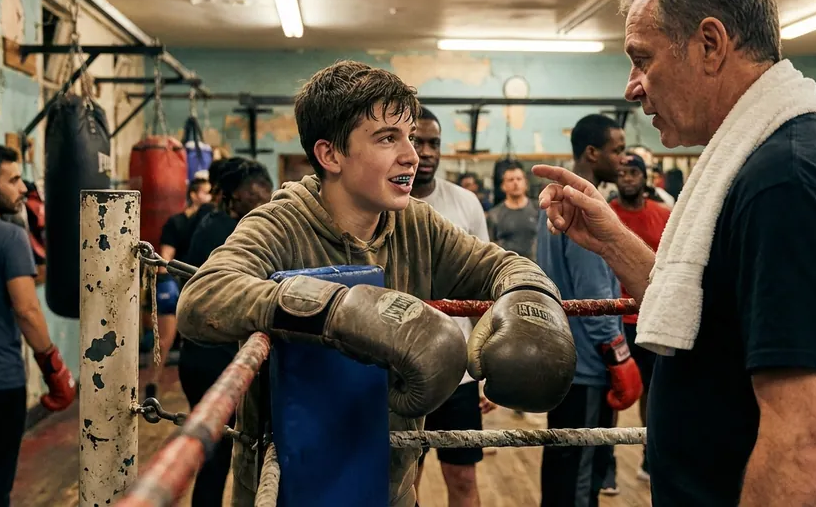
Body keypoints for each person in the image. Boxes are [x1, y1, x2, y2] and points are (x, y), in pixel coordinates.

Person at [533, 0, 816, 506]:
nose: (632, 86)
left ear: (709, 44)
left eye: (642, 58)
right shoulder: (752, 164)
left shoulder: (788, 182)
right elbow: (707, 314)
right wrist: (610, 239)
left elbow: (806, 440)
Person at [176, 60, 576, 507]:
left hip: (390, 483)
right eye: (388, 138)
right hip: (287, 482)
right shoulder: (281, 222)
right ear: (331, 155)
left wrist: (532, 299)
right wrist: (337, 309)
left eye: (410, 136)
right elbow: (203, 298)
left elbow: (504, 266)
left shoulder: (417, 226)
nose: (412, 154)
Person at [536, 114, 642, 506]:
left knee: (563, 459)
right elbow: (594, 297)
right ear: (592, 153)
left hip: (563, 357)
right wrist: (619, 357)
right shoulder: (584, 208)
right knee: (582, 470)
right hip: (587, 366)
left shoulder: (553, 200)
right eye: (617, 149)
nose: (623, 158)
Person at [0, 144, 76, 506]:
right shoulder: (9, 237)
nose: (22, 188)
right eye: (13, 180)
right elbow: (27, 311)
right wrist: (54, 370)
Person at [410, 107, 497, 507]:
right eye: (416, 141)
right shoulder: (378, 202)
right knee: (404, 479)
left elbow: (482, 289)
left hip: (458, 372)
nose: (425, 152)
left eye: (433, 143)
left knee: (462, 479)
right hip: (400, 372)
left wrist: (486, 366)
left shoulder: (464, 203)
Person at [177, 157, 271, 507]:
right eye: (256, 195)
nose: (264, 202)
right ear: (234, 197)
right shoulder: (227, 232)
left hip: (205, 355)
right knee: (217, 457)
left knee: (218, 454)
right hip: (213, 358)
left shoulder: (213, 221)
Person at [609, 152, 671, 481]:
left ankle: (649, 454)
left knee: (651, 390)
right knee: (615, 389)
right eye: (622, 172)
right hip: (614, 319)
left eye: (634, 172)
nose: (628, 178)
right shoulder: (605, 215)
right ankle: (606, 463)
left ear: (644, 177)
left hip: (650, 317)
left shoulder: (663, 215)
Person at [144, 176, 212, 400]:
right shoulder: (177, 223)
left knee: (197, 339)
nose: (209, 197)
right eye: (205, 192)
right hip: (176, 284)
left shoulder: (212, 224)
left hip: (200, 286)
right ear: (194, 195)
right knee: (165, 339)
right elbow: (165, 258)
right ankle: (152, 383)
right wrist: (166, 284)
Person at [486, 162, 539, 262]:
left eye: (519, 179)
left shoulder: (538, 210)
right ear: (503, 186)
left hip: (536, 269)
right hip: (507, 270)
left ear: (525, 183)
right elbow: (490, 248)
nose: (515, 183)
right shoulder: (494, 215)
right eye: (510, 180)